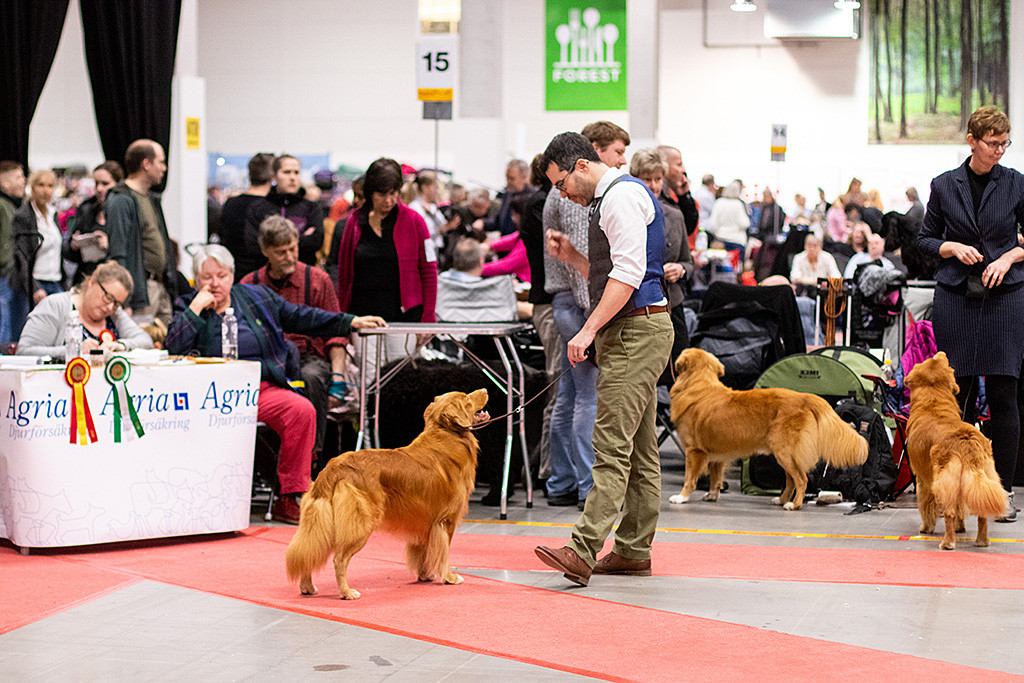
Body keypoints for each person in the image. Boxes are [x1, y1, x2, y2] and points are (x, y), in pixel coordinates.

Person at [534, 131, 673, 585]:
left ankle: (583, 548)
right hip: (636, 329)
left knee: (612, 446)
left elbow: (629, 274)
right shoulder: (611, 199)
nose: (562, 195)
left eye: (560, 184)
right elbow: (616, 270)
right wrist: (574, 257)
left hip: (636, 330)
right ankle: (633, 550)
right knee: (638, 449)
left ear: (580, 166)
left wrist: (588, 329)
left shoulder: (618, 198)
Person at [165, 245, 385, 524]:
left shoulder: (257, 297)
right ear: (196, 279)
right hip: (209, 397)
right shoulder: (187, 305)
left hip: (260, 390)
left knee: (302, 410)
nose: (214, 283)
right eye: (206, 277)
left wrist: (350, 321)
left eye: (221, 275)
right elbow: (173, 346)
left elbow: (304, 316)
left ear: (232, 275)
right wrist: (196, 308)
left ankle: (289, 496)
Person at [917, 105, 1024, 522]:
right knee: (953, 401)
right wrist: (950, 247)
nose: (1000, 150)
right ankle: (953, 489)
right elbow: (925, 241)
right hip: (956, 298)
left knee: (1003, 396)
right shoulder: (944, 185)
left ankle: (1003, 491)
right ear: (972, 141)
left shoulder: (1016, 184)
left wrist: (1011, 256)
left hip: (1005, 296)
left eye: (1004, 143)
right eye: (993, 143)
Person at [539, 121, 630, 510]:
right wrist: (594, 319)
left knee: (569, 395)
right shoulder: (574, 194)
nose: (621, 160)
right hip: (577, 303)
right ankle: (586, 485)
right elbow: (588, 268)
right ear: (591, 154)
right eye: (616, 152)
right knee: (587, 398)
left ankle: (562, 480)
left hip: (563, 303)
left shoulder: (563, 192)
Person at [240, 215, 348, 464]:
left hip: (309, 359)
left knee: (310, 377)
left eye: (293, 248)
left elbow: (336, 333)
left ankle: (310, 458)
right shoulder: (249, 285)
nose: (289, 256)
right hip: (266, 363)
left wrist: (339, 376)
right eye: (281, 252)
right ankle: (258, 463)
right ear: (265, 251)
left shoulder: (318, 280)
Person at [336, 157, 438, 363]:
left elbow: (429, 272)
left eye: (394, 193)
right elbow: (344, 273)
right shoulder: (353, 224)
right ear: (370, 192)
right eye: (382, 194)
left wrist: (428, 318)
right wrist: (343, 318)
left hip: (405, 318)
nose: (389, 201)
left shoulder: (415, 221)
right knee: (369, 381)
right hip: (364, 317)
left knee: (401, 380)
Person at [630, 148, 693, 377]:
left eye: (657, 179)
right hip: (637, 308)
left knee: (679, 375)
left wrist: (681, 269)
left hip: (672, 305)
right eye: (647, 179)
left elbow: (688, 260)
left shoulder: (675, 215)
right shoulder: (625, 214)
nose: (654, 185)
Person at [105, 139, 176, 324]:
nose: (164, 168)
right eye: (161, 162)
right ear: (146, 164)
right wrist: (124, 298)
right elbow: (118, 252)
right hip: (140, 292)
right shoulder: (121, 200)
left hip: (159, 287)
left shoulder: (151, 198)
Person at [17, 261, 152, 358]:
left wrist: (121, 345)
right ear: (93, 281)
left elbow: (146, 341)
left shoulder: (115, 314)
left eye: (117, 304)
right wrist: (74, 351)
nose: (111, 307)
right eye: (108, 298)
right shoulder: (54, 305)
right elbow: (24, 351)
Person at [243, 154, 325, 277]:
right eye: (286, 172)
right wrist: (300, 238)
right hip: (267, 280)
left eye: (296, 172)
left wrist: (272, 244)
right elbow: (253, 246)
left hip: (304, 279)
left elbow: (316, 242)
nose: (292, 177)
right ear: (274, 176)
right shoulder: (258, 208)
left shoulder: (312, 208)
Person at [10, 170, 66, 339]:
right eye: (41, 185)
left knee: (54, 335)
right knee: (24, 336)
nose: (45, 190)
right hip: (31, 285)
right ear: (32, 187)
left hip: (54, 282)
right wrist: (34, 287)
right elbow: (20, 256)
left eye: (50, 186)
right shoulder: (23, 216)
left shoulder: (53, 214)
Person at [64, 161, 124, 285]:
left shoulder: (123, 212)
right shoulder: (86, 209)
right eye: (97, 183)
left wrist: (110, 247)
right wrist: (74, 246)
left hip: (113, 280)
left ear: (117, 184)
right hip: (86, 279)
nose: (99, 189)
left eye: (105, 184)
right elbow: (68, 252)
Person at [220, 152, 275, 281]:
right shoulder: (271, 206)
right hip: (264, 279)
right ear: (273, 175)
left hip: (235, 275)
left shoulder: (231, 204)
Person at [0, 160, 26, 343]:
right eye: (18, 177)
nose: (23, 181)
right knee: (4, 323)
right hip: (4, 275)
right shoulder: (3, 206)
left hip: (12, 276)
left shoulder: (12, 205)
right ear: (4, 183)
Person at [408, 170, 458, 260]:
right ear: (425, 188)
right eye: (435, 187)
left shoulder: (433, 207)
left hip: (436, 251)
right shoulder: (414, 208)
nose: (437, 191)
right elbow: (423, 233)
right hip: (423, 253)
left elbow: (442, 226)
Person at [656, 145, 699, 236]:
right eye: (679, 165)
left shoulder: (670, 195)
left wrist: (684, 196)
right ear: (664, 166)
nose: (683, 170)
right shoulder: (657, 194)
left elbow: (687, 228)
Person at [486, 160, 533, 236]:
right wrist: (483, 224)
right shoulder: (508, 193)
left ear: (524, 176)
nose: (508, 182)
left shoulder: (531, 198)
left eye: (512, 178)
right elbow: (500, 221)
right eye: (507, 178)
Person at [707, 179, 750, 253]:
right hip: (737, 241)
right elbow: (745, 223)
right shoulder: (738, 204)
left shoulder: (719, 203)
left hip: (720, 241)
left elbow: (712, 224)